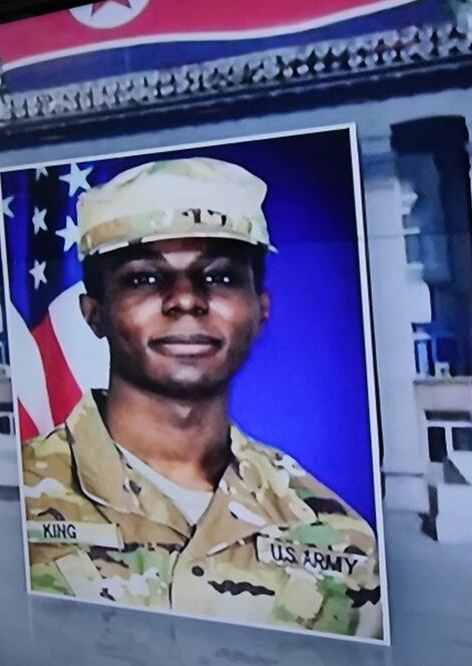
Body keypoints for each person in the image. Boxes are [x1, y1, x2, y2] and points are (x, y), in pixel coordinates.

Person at [21, 158, 382, 638]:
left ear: (261, 309)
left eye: (219, 276)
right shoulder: (16, 499)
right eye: (145, 278)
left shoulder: (341, 537)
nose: (186, 299)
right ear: (94, 314)